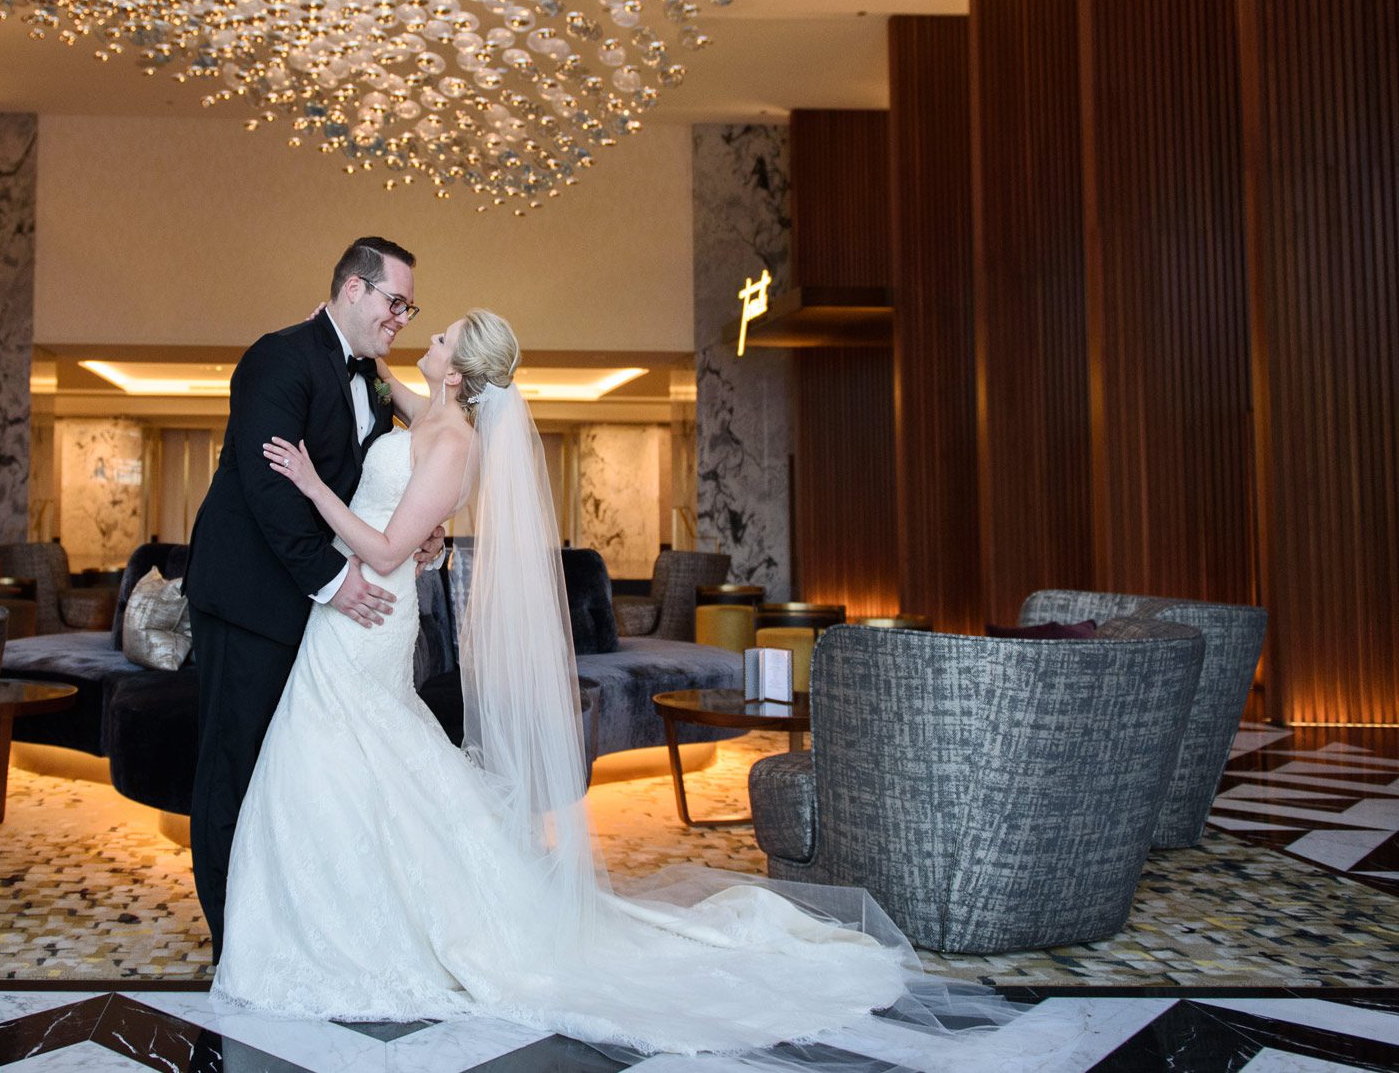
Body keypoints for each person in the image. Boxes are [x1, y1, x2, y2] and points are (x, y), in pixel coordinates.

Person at [211, 309, 1036, 1061]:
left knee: (342, 756)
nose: (422, 331)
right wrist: (353, 349)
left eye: (442, 331)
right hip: (351, 620)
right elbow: (374, 384)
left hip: (368, 609)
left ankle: (355, 934)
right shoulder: (428, 408)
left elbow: (390, 551)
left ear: (458, 370)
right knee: (352, 765)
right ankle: (334, 924)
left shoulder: (453, 436)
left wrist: (313, 487)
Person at [183, 236, 442, 960]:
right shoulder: (279, 356)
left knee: (294, 777)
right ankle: (233, 938)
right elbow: (267, 486)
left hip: (315, 610)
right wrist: (334, 581)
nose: (402, 316)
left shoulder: (377, 382)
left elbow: (370, 485)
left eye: (410, 307)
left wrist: (426, 529)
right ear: (353, 289)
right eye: (396, 301)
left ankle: (289, 926)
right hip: (250, 596)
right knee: (235, 770)